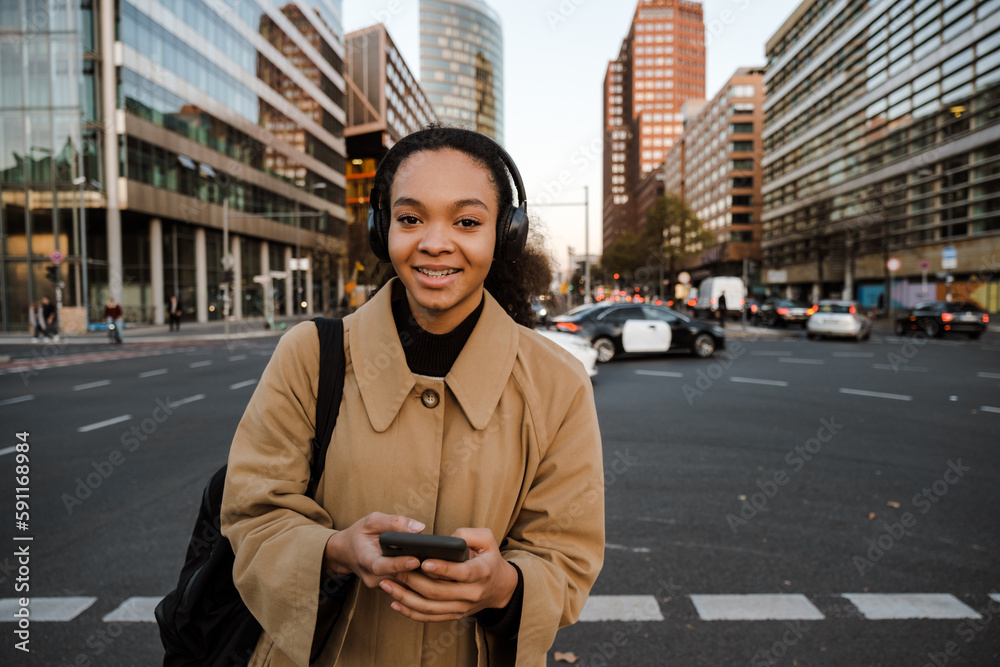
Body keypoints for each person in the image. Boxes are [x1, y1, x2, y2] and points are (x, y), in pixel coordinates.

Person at [222, 127, 605, 667]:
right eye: (410, 218)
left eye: (467, 221)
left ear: (505, 234)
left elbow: (566, 556)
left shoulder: (558, 382)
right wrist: (333, 552)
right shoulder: (309, 356)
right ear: (383, 230)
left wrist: (502, 587)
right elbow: (251, 516)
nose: (434, 242)